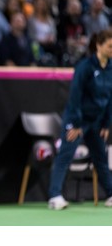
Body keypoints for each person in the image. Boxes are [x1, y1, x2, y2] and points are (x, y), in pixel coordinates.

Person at [48, 29, 112, 210]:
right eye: (109, 46)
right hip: (77, 120)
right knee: (65, 155)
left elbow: (110, 98)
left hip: (97, 121)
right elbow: (75, 96)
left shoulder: (111, 68)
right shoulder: (85, 67)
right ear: (99, 45)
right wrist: (76, 123)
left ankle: (110, 194)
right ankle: (55, 197)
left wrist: (106, 122)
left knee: (100, 156)